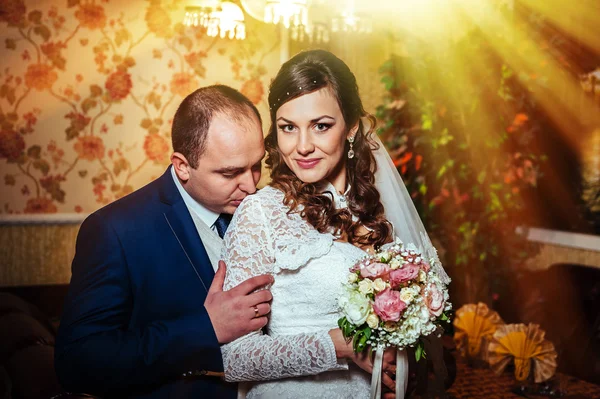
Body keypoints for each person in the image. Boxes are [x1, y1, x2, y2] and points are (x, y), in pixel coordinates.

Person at [219, 50, 451, 399]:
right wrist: (340, 347)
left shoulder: (380, 208)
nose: (302, 147)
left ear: (352, 128)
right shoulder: (261, 213)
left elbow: (422, 334)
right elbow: (236, 359)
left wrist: (403, 369)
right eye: (288, 128)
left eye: (321, 126)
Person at [55, 85, 275, 398]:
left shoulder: (262, 209)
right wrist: (206, 327)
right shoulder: (115, 231)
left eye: (257, 166)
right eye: (230, 173)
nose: (251, 186)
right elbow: (78, 363)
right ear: (182, 165)